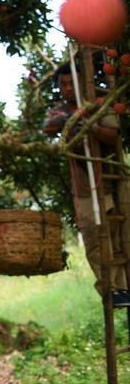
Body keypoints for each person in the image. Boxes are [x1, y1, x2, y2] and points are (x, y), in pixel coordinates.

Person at [42, 61, 129, 304]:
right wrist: (72, 118)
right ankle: (111, 290)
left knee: (118, 236)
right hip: (84, 186)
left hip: (113, 181)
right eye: (63, 84)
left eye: (72, 83)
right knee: (94, 238)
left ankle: (123, 287)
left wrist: (90, 126)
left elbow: (113, 135)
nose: (68, 88)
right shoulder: (61, 111)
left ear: (83, 83)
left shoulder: (99, 106)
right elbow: (47, 127)